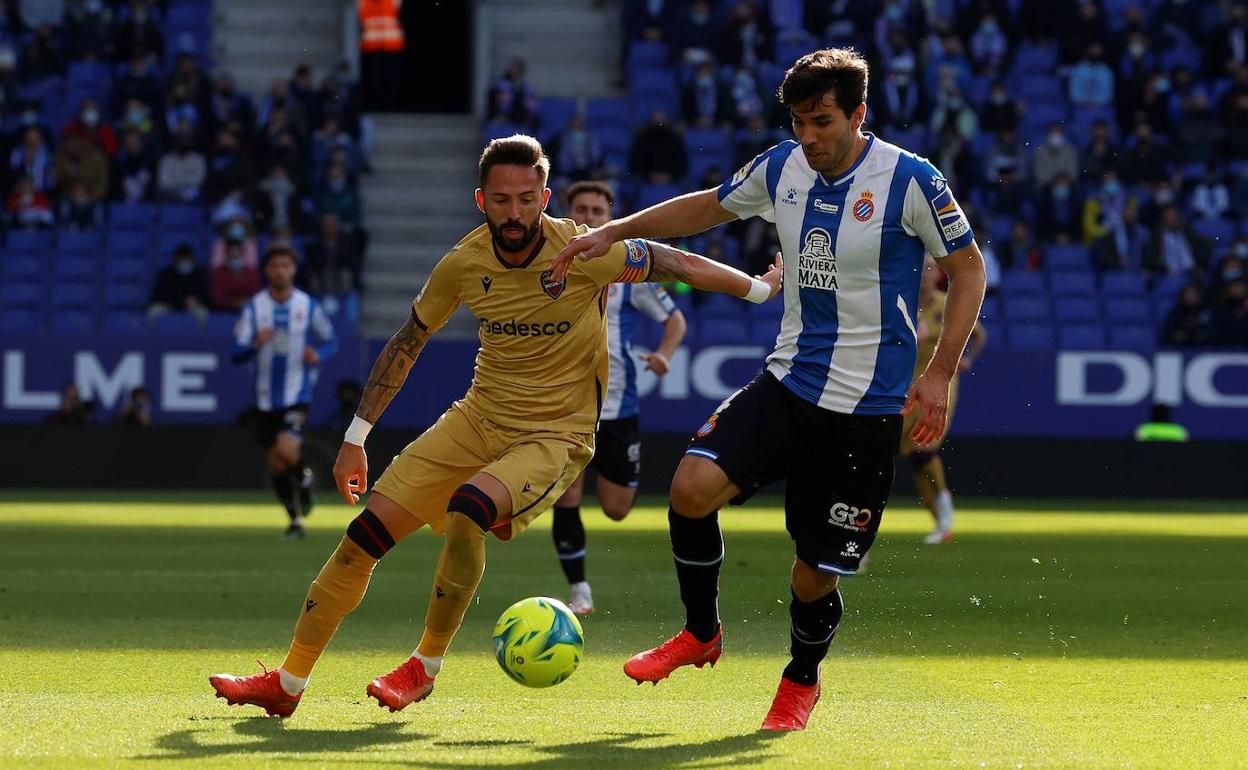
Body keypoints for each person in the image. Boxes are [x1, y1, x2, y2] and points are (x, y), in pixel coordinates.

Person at [208, 135, 782, 718]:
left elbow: (672, 261)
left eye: (527, 199)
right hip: (478, 417)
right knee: (361, 541)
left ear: (545, 197)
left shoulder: (583, 252)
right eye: (502, 200)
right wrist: (355, 438)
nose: (515, 213)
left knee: (468, 511)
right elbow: (408, 343)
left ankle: (423, 667)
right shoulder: (464, 262)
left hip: (554, 434)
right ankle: (287, 682)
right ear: (481, 200)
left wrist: (758, 288)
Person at [551, 48, 986, 732]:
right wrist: (615, 228)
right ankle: (701, 633)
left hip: (866, 413)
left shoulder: (909, 181)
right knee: (691, 490)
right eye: (797, 121)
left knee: (813, 575)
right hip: (787, 383)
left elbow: (969, 269)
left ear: (858, 114)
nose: (807, 136)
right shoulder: (781, 166)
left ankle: (800, 679)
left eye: (820, 121)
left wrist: (937, 374)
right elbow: (706, 208)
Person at [550, 181, 689, 616]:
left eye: (596, 209)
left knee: (616, 507)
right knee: (568, 494)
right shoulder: (549, 267)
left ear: (610, 218)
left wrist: (664, 355)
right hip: (568, 406)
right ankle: (580, 590)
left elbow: (676, 321)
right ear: (567, 214)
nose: (588, 216)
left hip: (619, 406)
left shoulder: (628, 270)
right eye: (581, 209)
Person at [230, 245, 338, 541]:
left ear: (293, 270)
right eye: (275, 265)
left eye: (285, 266)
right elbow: (235, 352)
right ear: (267, 270)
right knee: (275, 463)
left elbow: (331, 340)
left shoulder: (307, 306)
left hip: (297, 394)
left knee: (285, 450)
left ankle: (304, 479)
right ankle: (295, 520)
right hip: (264, 399)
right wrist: (254, 344)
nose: (280, 271)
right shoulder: (254, 308)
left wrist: (318, 353)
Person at [899, 256, 986, 544]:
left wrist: (966, 359)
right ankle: (941, 523)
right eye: (918, 269)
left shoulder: (946, 303)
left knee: (923, 450)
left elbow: (978, 335)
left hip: (939, 389)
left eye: (928, 269)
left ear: (937, 273)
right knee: (911, 458)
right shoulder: (901, 303)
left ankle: (945, 512)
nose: (923, 275)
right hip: (902, 389)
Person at [147, 243, 211, 324]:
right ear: (176, 259)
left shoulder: (199, 274)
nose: (184, 261)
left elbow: (207, 296)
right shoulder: (167, 273)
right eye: (182, 259)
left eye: (187, 258)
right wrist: (169, 303)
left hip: (193, 307)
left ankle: (202, 336)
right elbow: (157, 295)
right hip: (168, 306)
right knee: (153, 310)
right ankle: (152, 335)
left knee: (202, 312)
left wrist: (197, 301)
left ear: (192, 259)